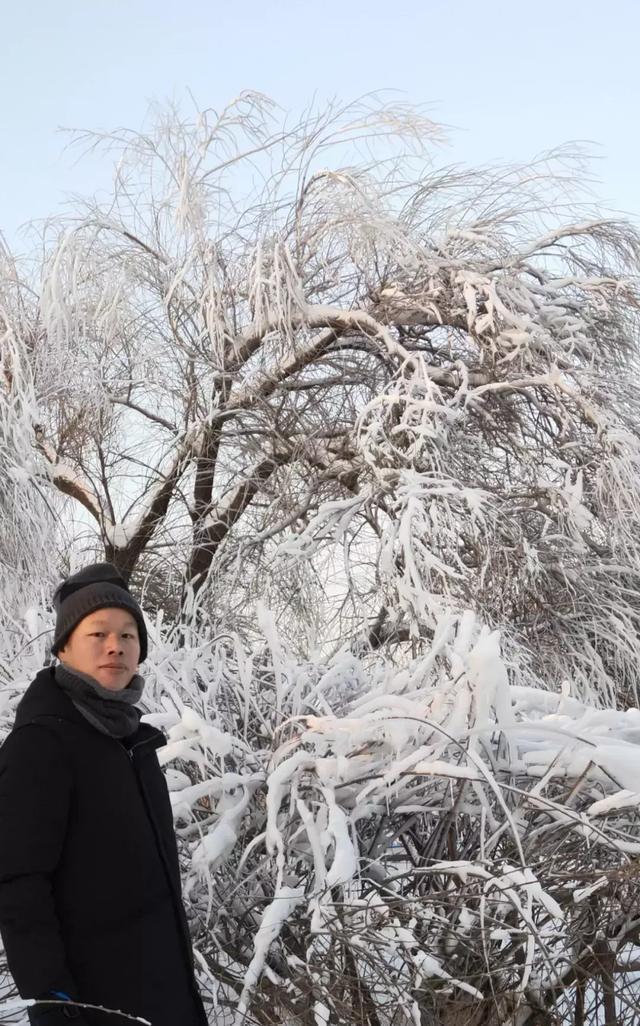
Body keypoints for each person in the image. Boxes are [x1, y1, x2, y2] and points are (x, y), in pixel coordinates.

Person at [0, 563, 208, 1025]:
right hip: (93, 1008)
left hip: (166, 997)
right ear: (63, 647)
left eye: (128, 635)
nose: (116, 645)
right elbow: (18, 886)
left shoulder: (136, 746)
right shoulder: (41, 745)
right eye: (98, 634)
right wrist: (55, 1004)